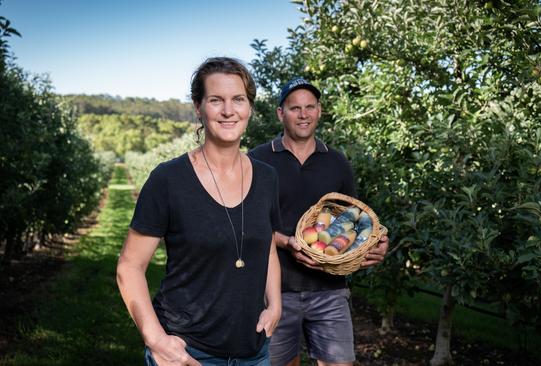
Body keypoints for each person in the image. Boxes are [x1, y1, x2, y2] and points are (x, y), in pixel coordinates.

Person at [116, 57, 282, 366]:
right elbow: (129, 266)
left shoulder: (267, 177)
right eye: (216, 100)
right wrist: (156, 339)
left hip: (254, 352)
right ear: (198, 107)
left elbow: (267, 245)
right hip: (188, 353)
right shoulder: (168, 180)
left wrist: (275, 304)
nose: (228, 111)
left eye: (238, 100)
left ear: (250, 108)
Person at [248, 77, 389, 366]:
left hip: (330, 291)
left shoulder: (337, 163)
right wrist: (287, 242)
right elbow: (248, 224)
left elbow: (355, 220)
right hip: (275, 291)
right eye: (295, 108)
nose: (303, 114)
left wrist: (374, 244)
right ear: (280, 113)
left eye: (310, 107)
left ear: (319, 111)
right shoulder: (257, 161)